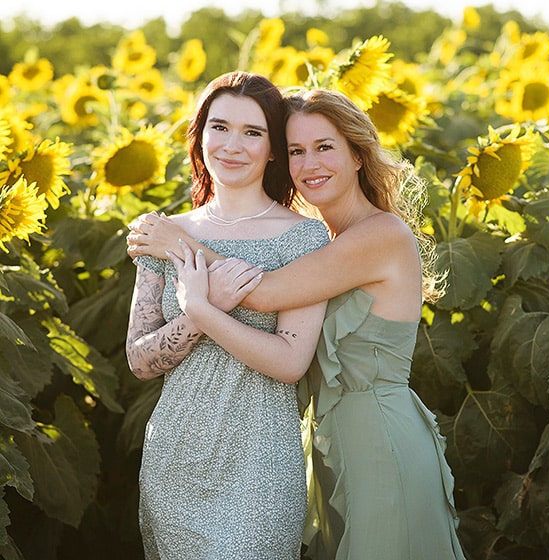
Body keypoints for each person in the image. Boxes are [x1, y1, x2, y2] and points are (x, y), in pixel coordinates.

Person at [127, 88, 466, 560]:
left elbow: (262, 294)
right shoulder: (329, 238)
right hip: (327, 443)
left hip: (377, 441)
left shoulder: (379, 235)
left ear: (358, 155)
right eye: (296, 151)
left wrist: (176, 244)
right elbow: (142, 353)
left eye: (325, 147)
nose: (310, 164)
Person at [125, 71, 331, 559]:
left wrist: (202, 306)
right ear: (200, 136)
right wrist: (197, 317)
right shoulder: (163, 233)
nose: (232, 146)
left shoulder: (305, 239)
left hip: (260, 461)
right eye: (219, 127)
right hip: (174, 454)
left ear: (274, 148)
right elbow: (138, 359)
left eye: (253, 132)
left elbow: (290, 361)